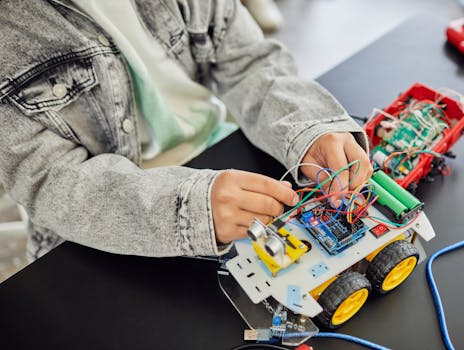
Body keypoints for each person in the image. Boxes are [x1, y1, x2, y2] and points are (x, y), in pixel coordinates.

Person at [0, 0, 372, 261]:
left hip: (219, 161)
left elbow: (247, 63)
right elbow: (49, 181)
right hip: (97, 227)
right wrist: (187, 210)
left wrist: (307, 127)